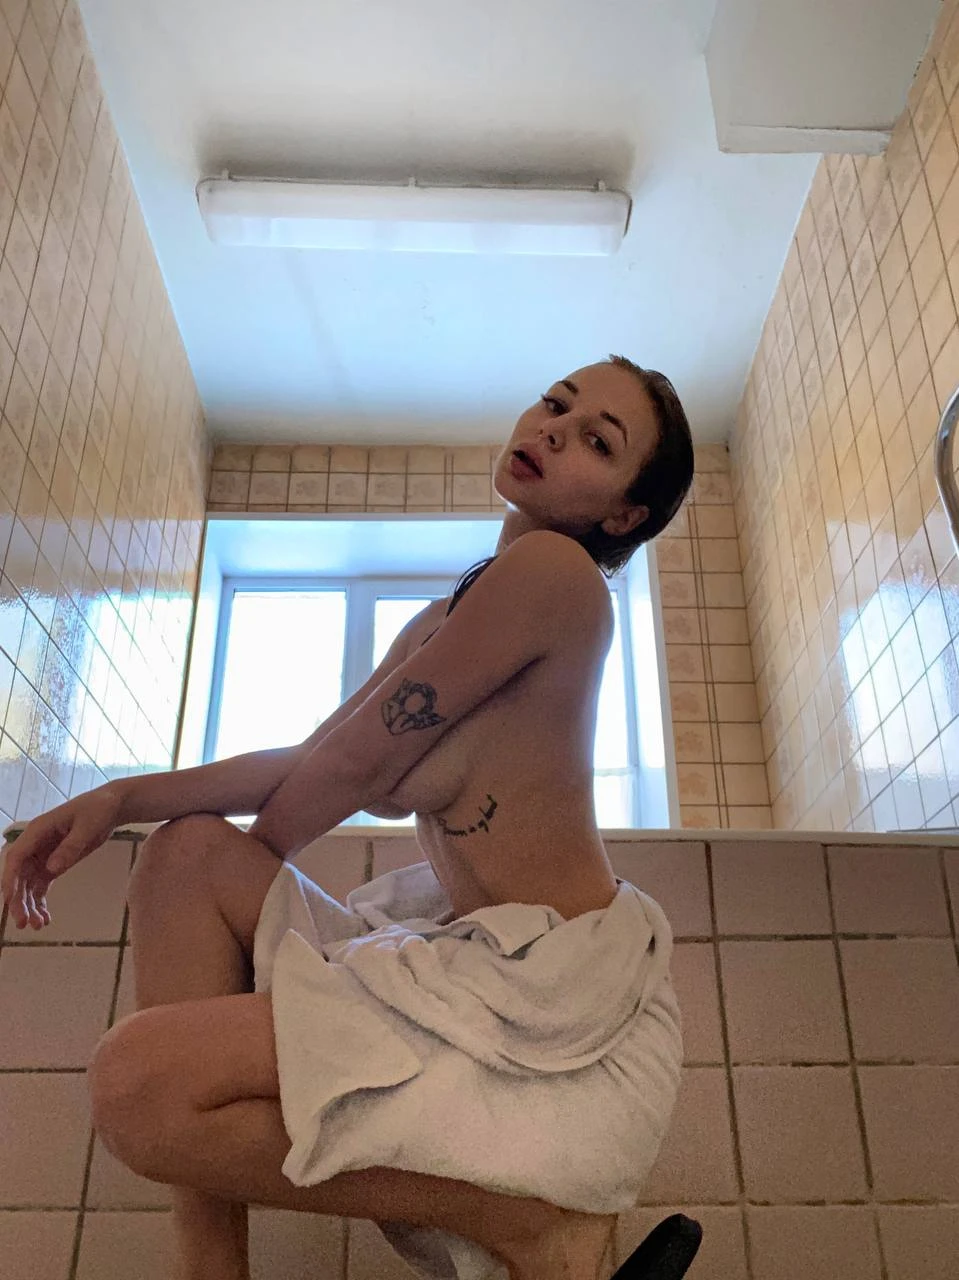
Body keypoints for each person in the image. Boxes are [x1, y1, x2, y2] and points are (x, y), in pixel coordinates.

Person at [1, 354, 694, 1280]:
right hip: (471, 966)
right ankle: (211, 1268)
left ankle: (533, 1226)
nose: (554, 428)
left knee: (137, 1083)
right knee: (187, 855)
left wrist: (255, 880)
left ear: (623, 516)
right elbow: (321, 755)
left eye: (597, 443)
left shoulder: (556, 573)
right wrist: (121, 798)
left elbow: (354, 765)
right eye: (555, 403)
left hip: (550, 997)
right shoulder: (444, 620)